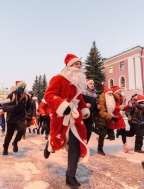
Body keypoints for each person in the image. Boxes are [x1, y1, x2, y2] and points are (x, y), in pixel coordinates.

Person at [43, 53, 90, 188]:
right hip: (61, 115)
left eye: (80, 64)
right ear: (69, 66)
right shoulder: (58, 79)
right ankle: (50, 145)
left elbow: (79, 99)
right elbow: (49, 95)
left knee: (75, 145)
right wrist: (63, 106)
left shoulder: (77, 84)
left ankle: (70, 176)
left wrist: (84, 109)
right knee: (58, 140)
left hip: (74, 118)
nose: (79, 66)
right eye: (76, 64)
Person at [1, 81, 31, 155]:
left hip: (21, 117)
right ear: (17, 87)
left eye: (24, 87)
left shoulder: (26, 97)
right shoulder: (12, 95)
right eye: (21, 87)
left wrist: (28, 113)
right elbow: (4, 107)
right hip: (11, 117)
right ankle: (5, 147)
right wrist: (14, 108)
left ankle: (15, 142)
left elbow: (28, 107)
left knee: (21, 130)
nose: (22, 88)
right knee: (9, 135)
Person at [96, 86, 123, 155]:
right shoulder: (102, 100)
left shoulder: (109, 98)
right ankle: (100, 149)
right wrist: (112, 117)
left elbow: (117, 98)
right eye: (109, 94)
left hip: (105, 118)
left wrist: (112, 93)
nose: (111, 95)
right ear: (106, 94)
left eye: (111, 94)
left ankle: (100, 147)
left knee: (104, 133)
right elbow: (102, 113)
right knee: (102, 133)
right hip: (99, 118)